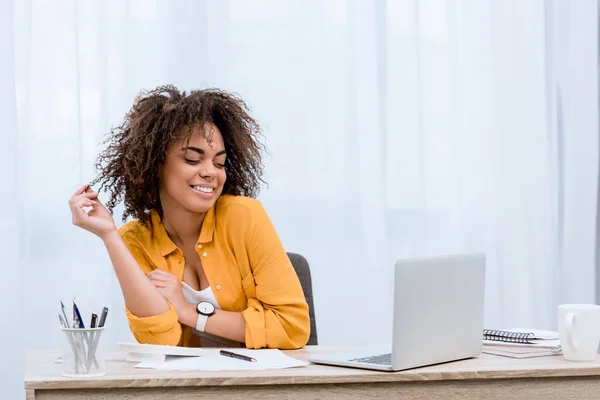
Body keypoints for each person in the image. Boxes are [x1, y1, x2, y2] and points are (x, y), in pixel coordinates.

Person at [68, 85, 310, 349]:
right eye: (193, 160)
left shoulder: (245, 217)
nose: (211, 172)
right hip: (187, 387)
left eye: (219, 163)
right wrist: (109, 236)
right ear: (155, 164)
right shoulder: (135, 241)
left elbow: (292, 327)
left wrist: (187, 311)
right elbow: (160, 340)